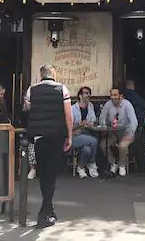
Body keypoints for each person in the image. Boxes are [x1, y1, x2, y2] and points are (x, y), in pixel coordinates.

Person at [25, 64, 72, 229]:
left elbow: (27, 108)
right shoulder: (62, 89)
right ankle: (44, 213)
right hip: (56, 137)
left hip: (38, 137)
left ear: (41, 75)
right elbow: (68, 115)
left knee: (43, 174)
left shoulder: (32, 90)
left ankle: (48, 209)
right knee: (51, 175)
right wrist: (69, 136)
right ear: (54, 74)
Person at [99, 86, 138, 177]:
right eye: (111, 95)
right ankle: (113, 163)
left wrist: (130, 133)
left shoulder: (127, 104)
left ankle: (122, 166)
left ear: (121, 96)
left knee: (122, 146)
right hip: (113, 132)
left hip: (126, 131)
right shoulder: (108, 104)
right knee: (102, 145)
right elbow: (102, 117)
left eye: (115, 95)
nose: (113, 97)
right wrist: (103, 126)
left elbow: (134, 121)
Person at [70, 86, 99, 179]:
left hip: (87, 134)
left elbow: (93, 121)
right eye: (86, 93)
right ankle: (92, 163)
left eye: (89, 93)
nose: (88, 95)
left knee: (87, 150)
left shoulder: (90, 106)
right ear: (80, 95)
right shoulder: (72, 109)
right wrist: (80, 125)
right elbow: (68, 127)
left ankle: (81, 167)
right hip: (74, 135)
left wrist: (91, 124)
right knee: (94, 141)